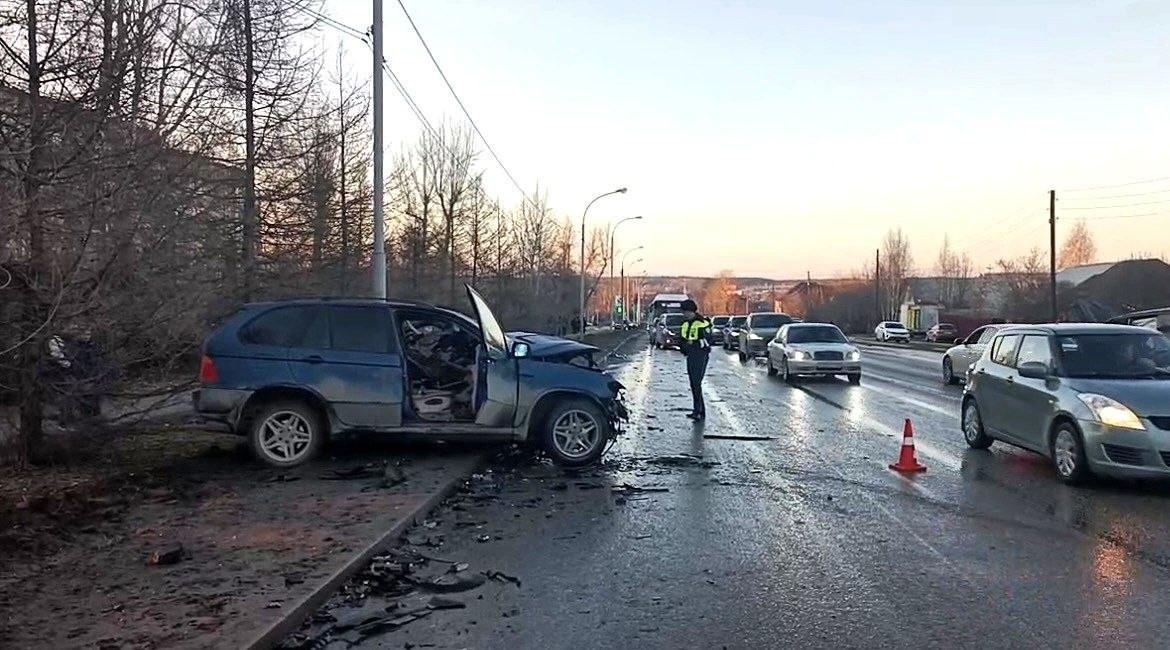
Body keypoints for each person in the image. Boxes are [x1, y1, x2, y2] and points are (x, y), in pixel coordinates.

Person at [678, 300, 711, 420]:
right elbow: (681, 338)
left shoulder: (702, 323)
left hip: (700, 355)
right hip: (691, 355)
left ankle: (699, 410)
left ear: (690, 311)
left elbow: (708, 339)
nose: (683, 314)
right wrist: (685, 347)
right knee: (694, 383)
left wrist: (694, 344)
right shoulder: (685, 323)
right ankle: (699, 410)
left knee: (696, 383)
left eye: (685, 311)